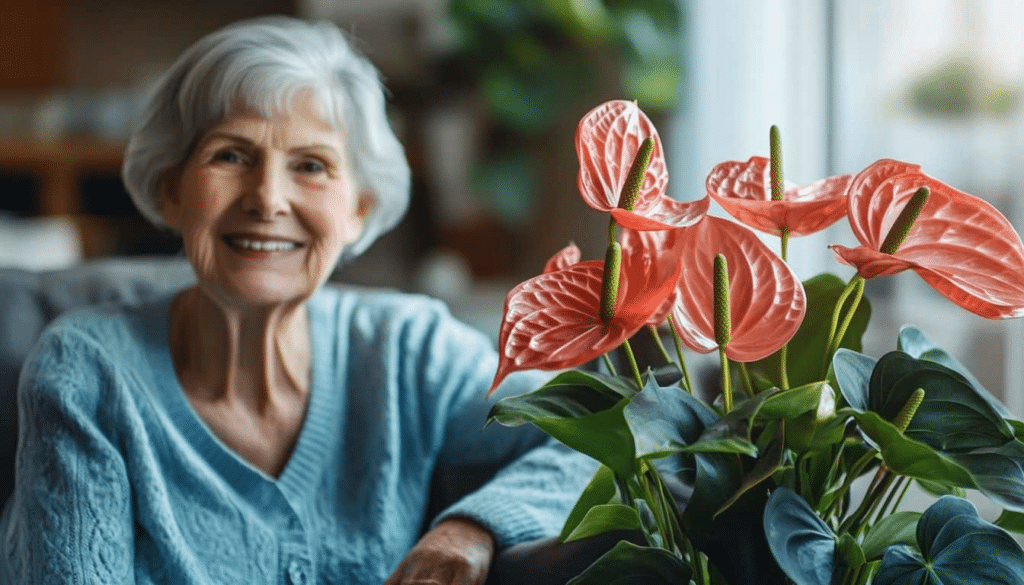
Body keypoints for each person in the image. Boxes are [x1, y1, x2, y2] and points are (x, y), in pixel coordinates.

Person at [0, 17, 596, 584]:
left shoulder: (408, 352)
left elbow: (606, 438)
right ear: (172, 189)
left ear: (358, 208)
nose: (267, 198)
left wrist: (469, 530)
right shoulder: (87, 374)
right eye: (231, 155)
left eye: (311, 165)